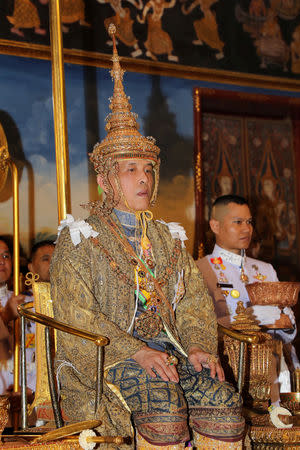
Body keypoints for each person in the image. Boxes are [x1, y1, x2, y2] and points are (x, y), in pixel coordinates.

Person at [50, 25, 244, 450]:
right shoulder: (79, 238)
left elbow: (193, 299)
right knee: (163, 409)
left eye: (148, 169)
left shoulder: (166, 237)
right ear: (104, 179)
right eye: (130, 169)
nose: (144, 178)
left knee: (226, 406)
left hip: (170, 347)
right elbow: (76, 315)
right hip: (107, 355)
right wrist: (135, 351)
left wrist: (196, 346)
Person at [196, 195, 298, 394]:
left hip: (272, 366)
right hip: (229, 367)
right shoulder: (200, 269)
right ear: (215, 226)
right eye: (238, 222)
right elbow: (198, 326)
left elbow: (282, 334)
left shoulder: (265, 269)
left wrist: (286, 321)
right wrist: (248, 318)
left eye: (249, 222)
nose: (246, 229)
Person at [0, 235, 35, 423]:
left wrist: (30, 387)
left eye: (6, 256)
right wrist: (6, 317)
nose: (1, 261)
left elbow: (41, 352)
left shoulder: (28, 303)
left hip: (24, 403)